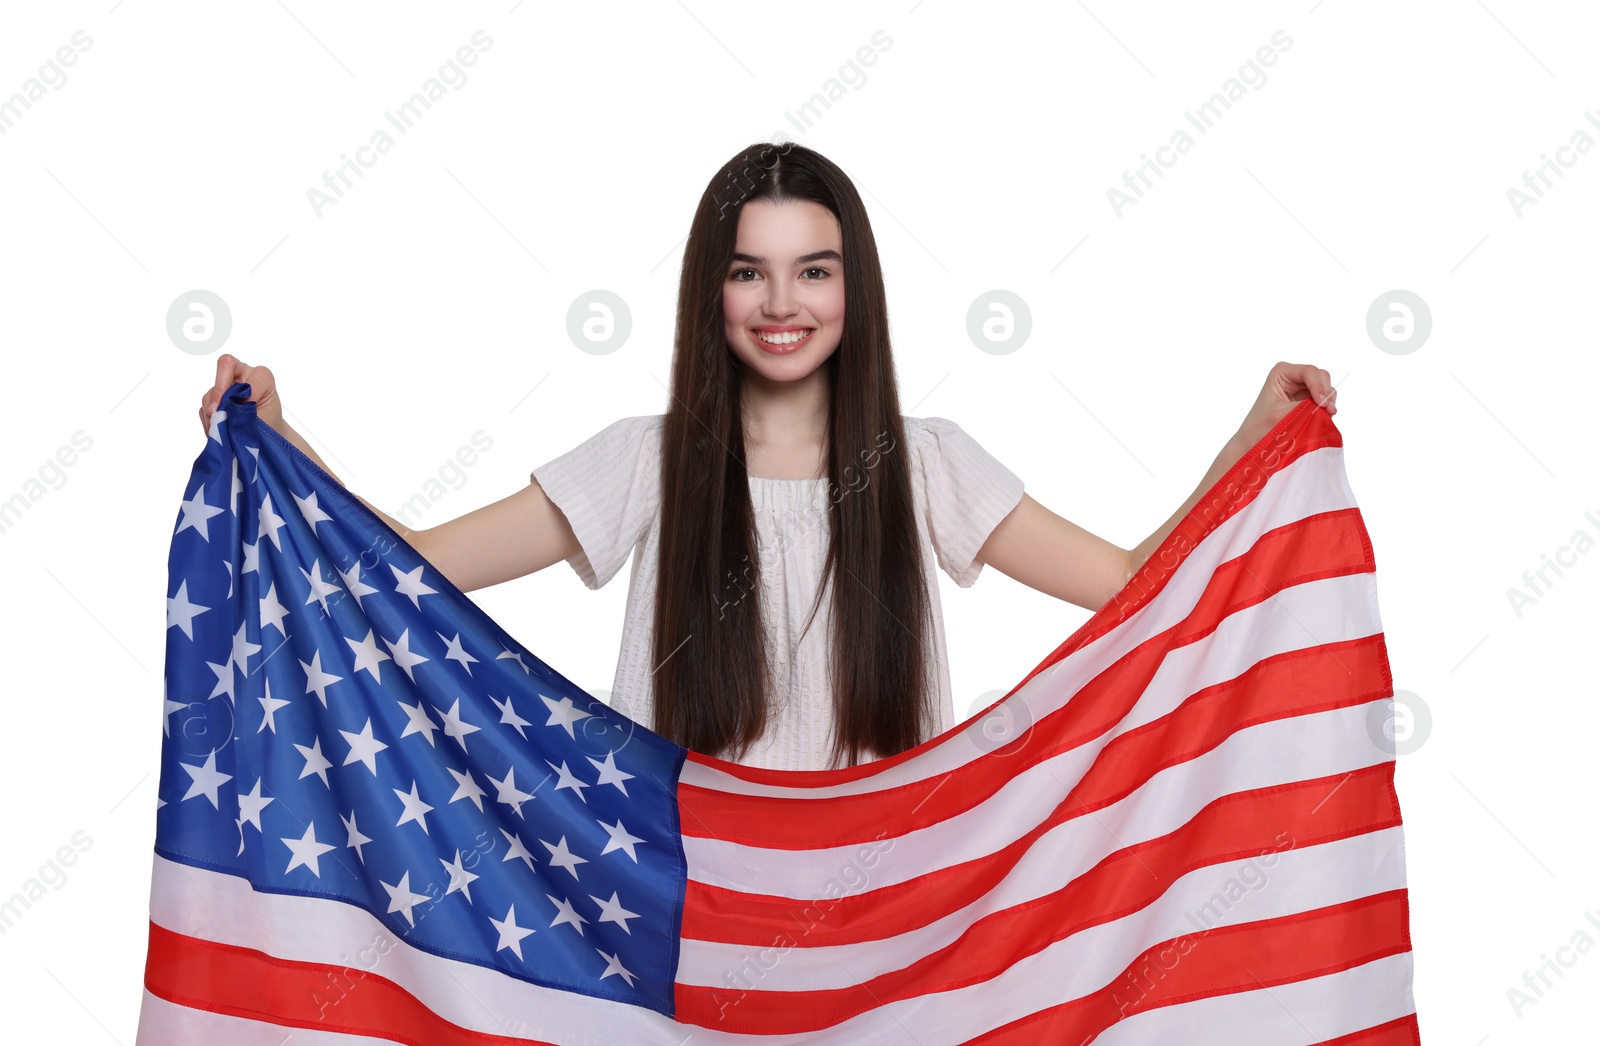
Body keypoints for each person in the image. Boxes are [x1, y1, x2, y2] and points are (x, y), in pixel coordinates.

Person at [198, 141, 1337, 773]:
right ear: (713, 289)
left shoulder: (925, 462)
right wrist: (283, 437)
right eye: (749, 270)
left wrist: (1249, 438)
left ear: (856, 289)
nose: (781, 302)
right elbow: (415, 565)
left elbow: (1141, 587)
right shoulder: (646, 461)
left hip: (879, 902)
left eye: (813, 269)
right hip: (687, 896)